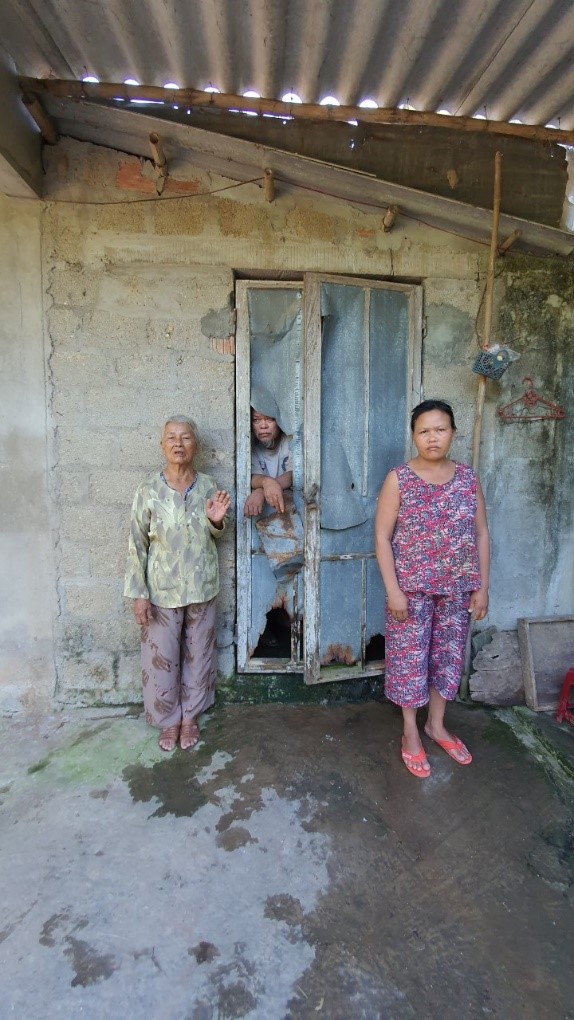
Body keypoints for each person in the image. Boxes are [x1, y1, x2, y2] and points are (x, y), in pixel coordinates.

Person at [374, 399, 490, 778]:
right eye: (424, 431)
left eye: (440, 429)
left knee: (447, 659)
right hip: (411, 593)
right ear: (414, 436)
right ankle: (410, 730)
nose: (432, 437)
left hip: (457, 591)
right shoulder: (399, 478)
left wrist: (481, 587)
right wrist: (393, 590)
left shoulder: (468, 479)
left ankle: (436, 725)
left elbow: (481, 533)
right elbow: (382, 537)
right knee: (409, 662)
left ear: (453, 433)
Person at [124, 416, 230, 752]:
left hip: (201, 585)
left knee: (199, 654)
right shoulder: (147, 490)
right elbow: (137, 545)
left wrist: (217, 522)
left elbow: (218, 531)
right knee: (161, 657)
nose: (178, 443)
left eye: (185, 437)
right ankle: (168, 721)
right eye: (171, 437)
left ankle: (190, 718)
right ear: (162, 446)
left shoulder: (209, 485)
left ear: (196, 446)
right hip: (161, 590)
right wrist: (139, 594)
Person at [243, 387, 292, 517]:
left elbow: (294, 475)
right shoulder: (249, 446)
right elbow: (252, 478)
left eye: (270, 419)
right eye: (256, 420)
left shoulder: (290, 441)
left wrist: (262, 490)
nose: (263, 426)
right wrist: (266, 484)